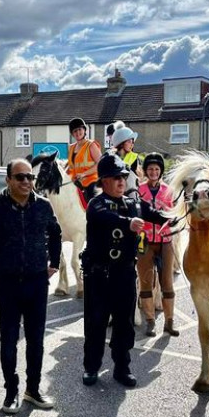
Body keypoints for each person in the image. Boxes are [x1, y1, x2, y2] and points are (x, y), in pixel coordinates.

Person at [0, 158, 62, 413]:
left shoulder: (42, 206)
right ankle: (11, 391)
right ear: (8, 180)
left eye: (29, 177)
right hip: (7, 284)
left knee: (36, 340)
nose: (26, 182)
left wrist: (54, 263)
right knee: (9, 340)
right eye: (20, 177)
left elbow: (56, 232)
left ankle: (33, 389)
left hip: (37, 283)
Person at [81, 153, 165, 389]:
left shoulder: (133, 203)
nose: (121, 182)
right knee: (96, 323)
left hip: (125, 274)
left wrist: (178, 214)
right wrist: (126, 223)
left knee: (124, 323)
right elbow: (105, 217)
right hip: (99, 275)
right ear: (103, 180)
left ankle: (122, 367)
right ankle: (91, 367)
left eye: (124, 177)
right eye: (115, 177)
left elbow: (157, 215)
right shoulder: (96, 203)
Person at [136, 153, 178, 337]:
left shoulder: (169, 190)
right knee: (145, 281)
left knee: (167, 283)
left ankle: (169, 322)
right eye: (150, 169)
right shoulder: (138, 190)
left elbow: (175, 213)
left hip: (165, 240)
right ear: (145, 171)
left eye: (157, 169)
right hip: (144, 240)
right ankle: (150, 322)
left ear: (161, 171)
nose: (153, 172)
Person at [66, 117, 102, 209]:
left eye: (79, 129)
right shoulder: (71, 148)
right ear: (72, 133)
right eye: (75, 131)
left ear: (84, 130)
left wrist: (84, 174)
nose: (77, 133)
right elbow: (70, 167)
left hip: (91, 182)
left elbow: (101, 164)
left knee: (94, 203)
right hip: (75, 183)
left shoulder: (91, 145)